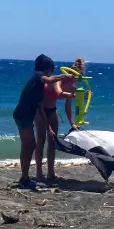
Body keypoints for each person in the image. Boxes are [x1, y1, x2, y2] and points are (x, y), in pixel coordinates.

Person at [12, 55, 72, 189]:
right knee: (28, 146)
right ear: (47, 69)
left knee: (30, 145)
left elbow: (40, 108)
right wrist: (63, 76)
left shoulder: (38, 86)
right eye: (51, 70)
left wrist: (48, 127)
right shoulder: (39, 75)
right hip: (23, 115)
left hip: (25, 115)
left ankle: (25, 177)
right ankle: (24, 178)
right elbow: (49, 79)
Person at [34, 57, 87, 184]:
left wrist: (72, 123)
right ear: (69, 71)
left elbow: (68, 106)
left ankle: (51, 173)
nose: (74, 78)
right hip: (40, 110)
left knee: (53, 142)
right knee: (41, 141)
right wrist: (77, 95)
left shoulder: (72, 86)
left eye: (77, 76)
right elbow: (59, 94)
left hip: (52, 110)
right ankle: (38, 173)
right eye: (73, 75)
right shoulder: (59, 80)